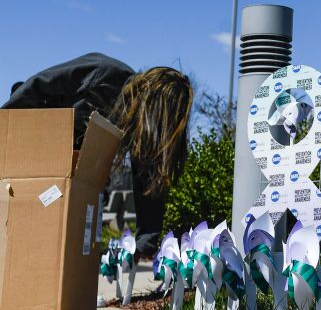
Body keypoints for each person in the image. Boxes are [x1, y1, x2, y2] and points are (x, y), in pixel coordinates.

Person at [3, 52, 193, 247]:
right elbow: (38, 85)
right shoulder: (103, 72)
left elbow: (149, 179)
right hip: (30, 141)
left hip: (66, 177)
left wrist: (146, 243)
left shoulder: (138, 124)